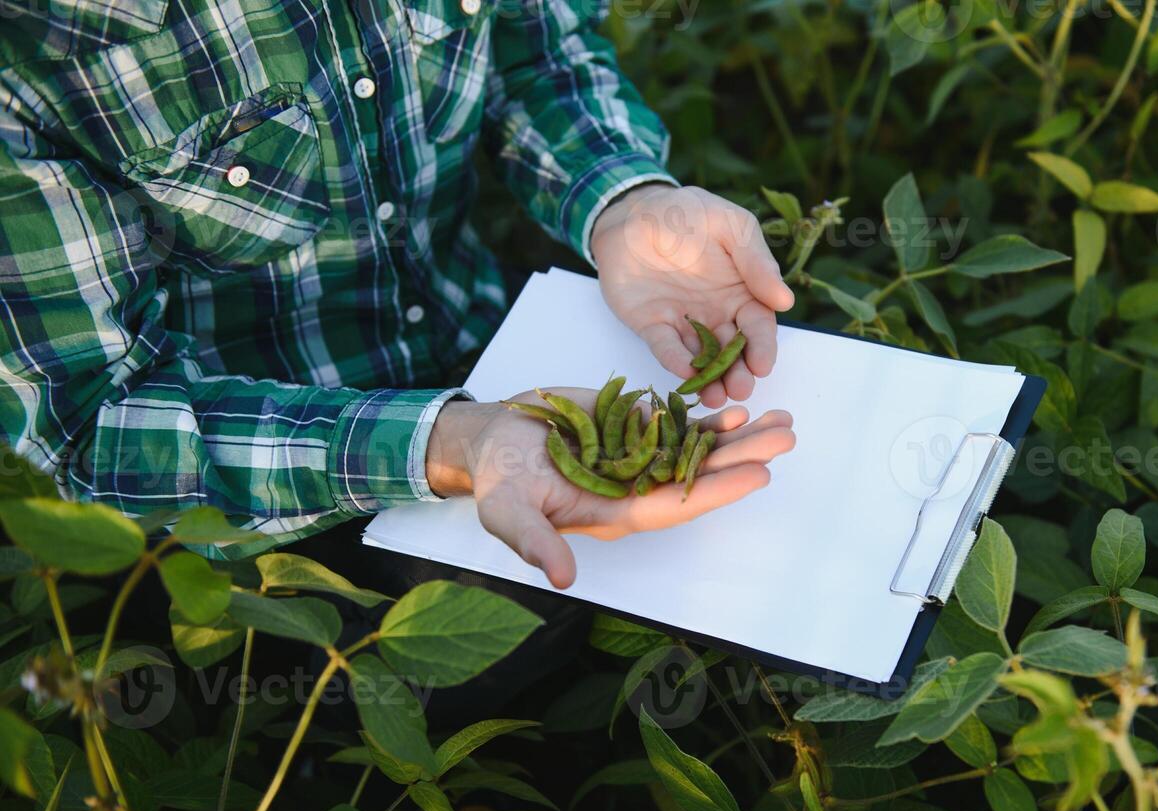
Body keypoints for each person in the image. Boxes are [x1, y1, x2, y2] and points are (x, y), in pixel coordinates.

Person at [0, 0, 796, 591]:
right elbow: (85, 425)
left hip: (502, 350)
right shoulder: (31, 53)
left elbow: (537, 47)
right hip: (273, 535)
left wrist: (620, 200)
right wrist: (454, 444)